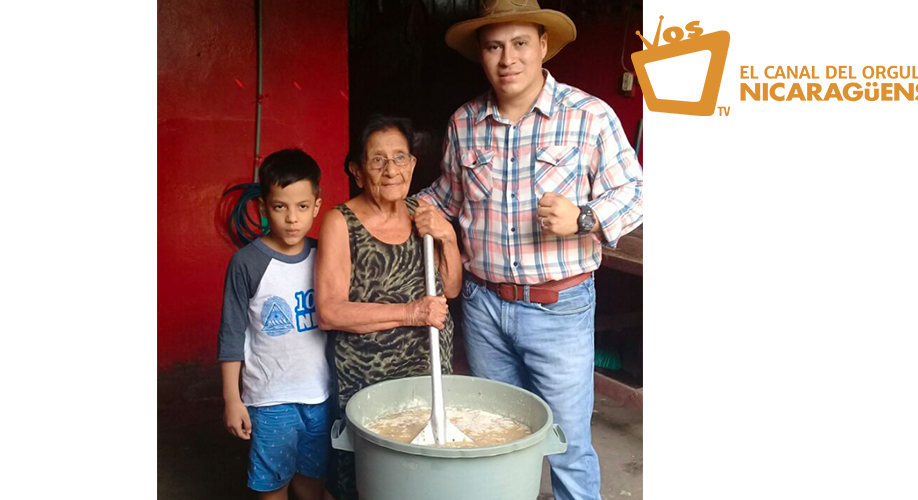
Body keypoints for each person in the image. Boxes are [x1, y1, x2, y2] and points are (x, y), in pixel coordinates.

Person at [416, 2, 644, 500]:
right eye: (494, 46)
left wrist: (582, 218)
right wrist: (384, 209)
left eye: (520, 43)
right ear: (481, 54)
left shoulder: (589, 117)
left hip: (558, 307)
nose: (507, 58)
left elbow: (634, 194)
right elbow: (447, 196)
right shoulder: (465, 123)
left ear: (543, 46)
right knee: (494, 432)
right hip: (482, 306)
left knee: (566, 442)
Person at [316, 115, 462, 500]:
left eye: (400, 158)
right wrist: (412, 313)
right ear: (357, 170)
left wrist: (447, 237)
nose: (391, 169)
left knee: (427, 472)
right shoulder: (340, 222)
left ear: (413, 165)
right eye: (377, 160)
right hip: (368, 378)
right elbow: (329, 312)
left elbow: (450, 287)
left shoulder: (423, 214)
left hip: (428, 369)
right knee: (372, 476)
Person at [218, 148, 328, 500]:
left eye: (302, 206)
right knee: (273, 486)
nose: (292, 219)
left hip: (320, 395)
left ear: (317, 205)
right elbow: (231, 334)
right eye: (280, 207)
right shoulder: (246, 263)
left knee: (312, 481)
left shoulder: (324, 255)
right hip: (269, 399)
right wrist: (232, 399)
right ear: (264, 208)